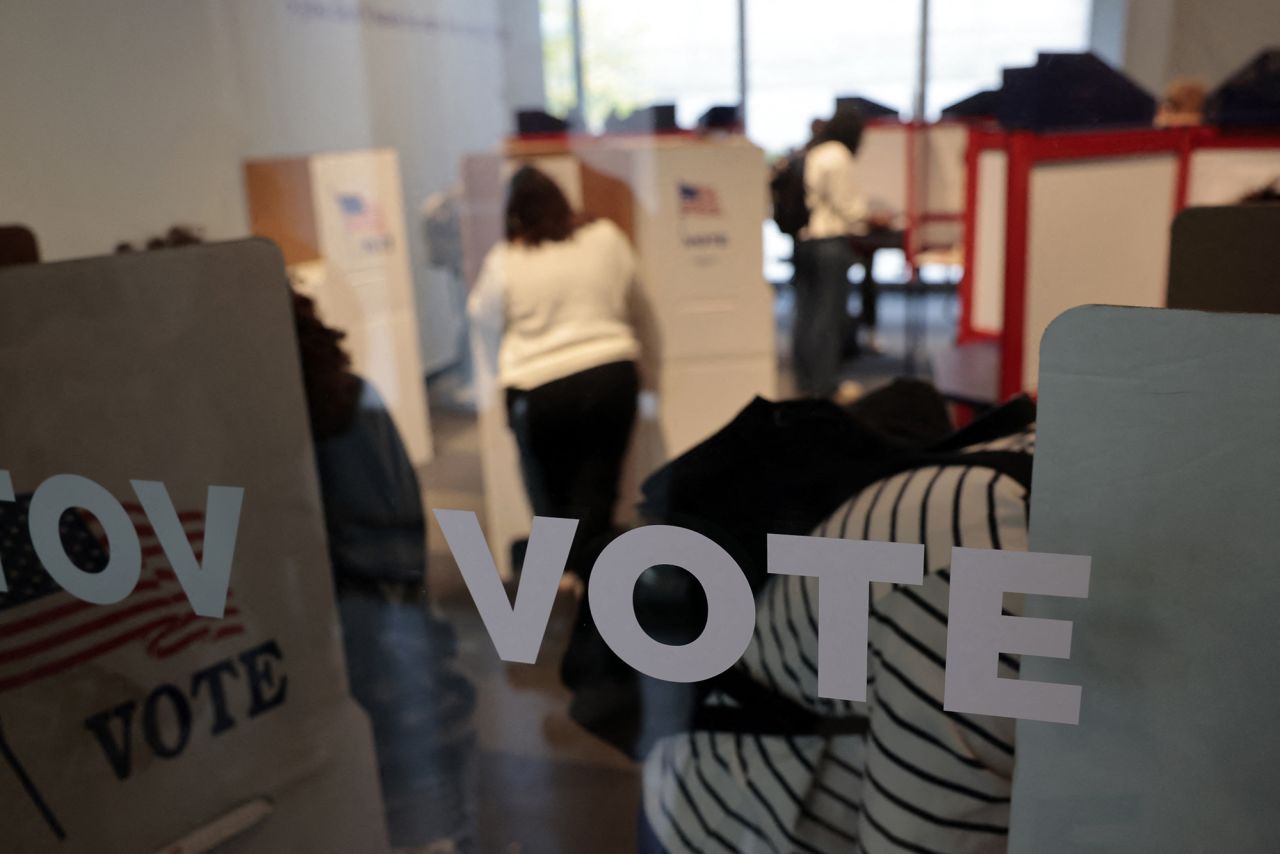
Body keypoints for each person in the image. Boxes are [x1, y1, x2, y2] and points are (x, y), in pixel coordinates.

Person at [468, 165, 644, 579]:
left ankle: (565, 582)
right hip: (609, 372)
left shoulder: (507, 258)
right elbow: (633, 298)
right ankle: (596, 587)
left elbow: (482, 315)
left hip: (537, 384)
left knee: (550, 496)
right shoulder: (606, 238)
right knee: (598, 488)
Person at [791, 105, 875, 398]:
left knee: (805, 315)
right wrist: (868, 213)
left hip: (803, 242)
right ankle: (824, 386)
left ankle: (804, 381)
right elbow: (847, 206)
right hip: (829, 243)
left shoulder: (814, 151)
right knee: (827, 318)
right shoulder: (837, 155)